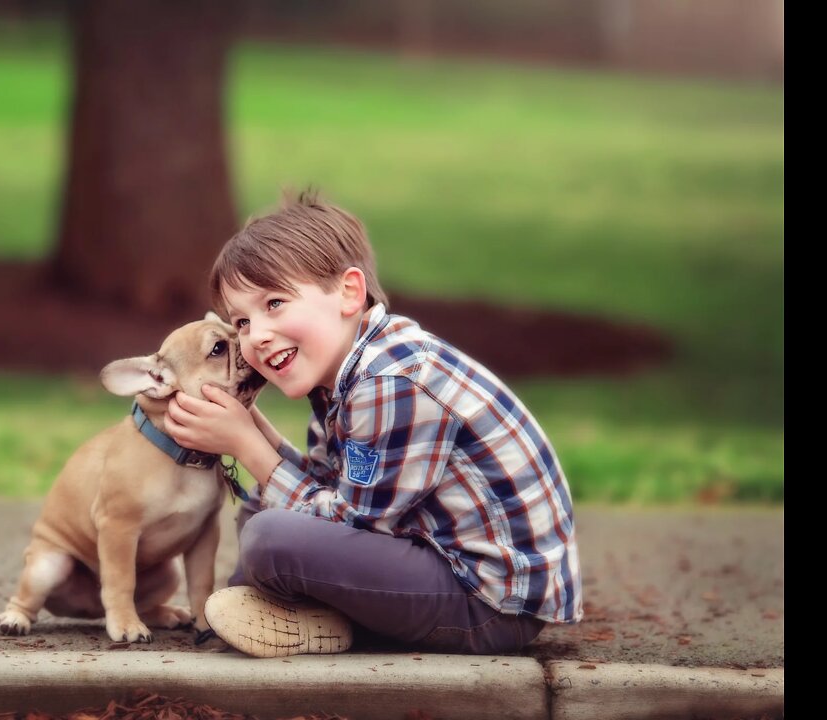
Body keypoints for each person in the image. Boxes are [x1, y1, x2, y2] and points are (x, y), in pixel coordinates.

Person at [164, 190, 582, 658]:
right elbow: (328, 487)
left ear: (349, 293)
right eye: (240, 322)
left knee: (269, 536)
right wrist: (252, 429)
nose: (255, 336)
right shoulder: (344, 374)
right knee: (263, 510)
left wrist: (247, 447)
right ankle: (284, 616)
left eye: (275, 303)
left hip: (490, 604)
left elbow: (356, 524)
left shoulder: (391, 382)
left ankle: (310, 623)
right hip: (436, 564)